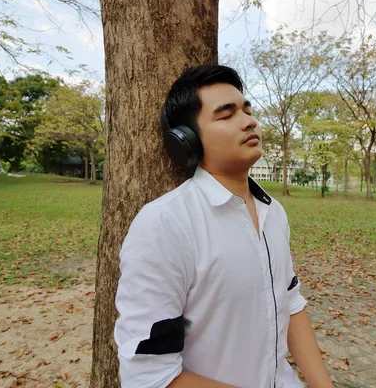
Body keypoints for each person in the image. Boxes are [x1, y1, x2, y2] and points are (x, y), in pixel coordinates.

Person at [114, 65, 333, 388]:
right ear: (187, 141)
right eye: (226, 115)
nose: (249, 121)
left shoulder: (274, 213)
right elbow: (149, 377)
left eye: (247, 110)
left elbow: (291, 304)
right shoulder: (164, 224)